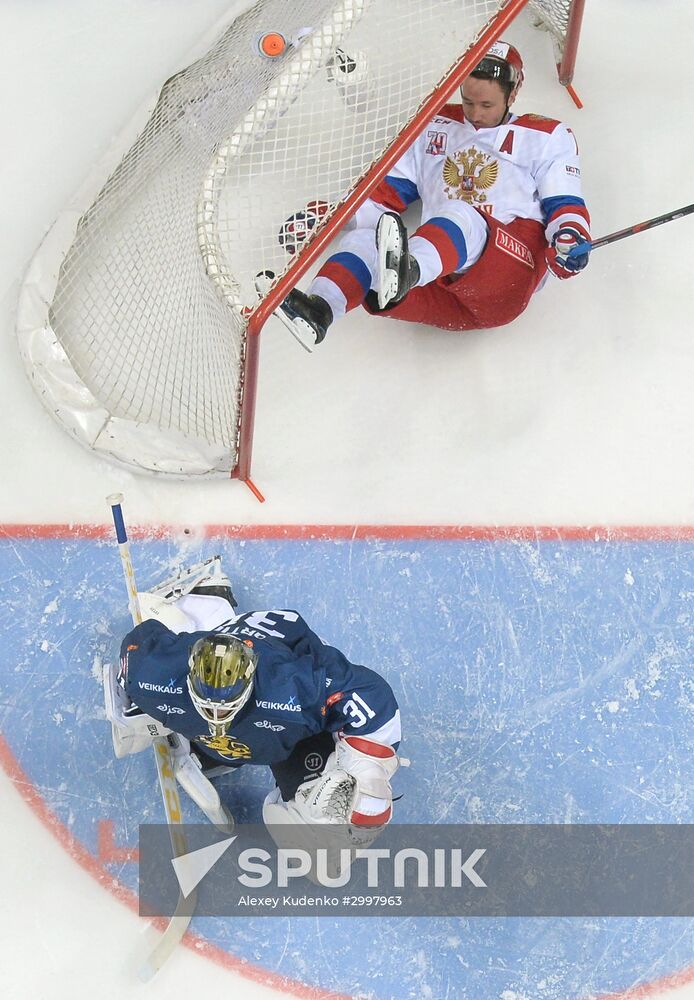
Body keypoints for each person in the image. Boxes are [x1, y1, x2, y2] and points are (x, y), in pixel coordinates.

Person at [275, 39, 592, 348]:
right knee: (363, 240)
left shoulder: (545, 135)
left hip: (506, 280)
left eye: (487, 105)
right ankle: (321, 310)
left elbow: (565, 204)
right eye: (468, 102)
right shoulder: (432, 124)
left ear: (513, 93)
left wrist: (569, 239)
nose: (475, 114)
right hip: (437, 286)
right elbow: (381, 201)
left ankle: (407, 270)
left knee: (460, 215)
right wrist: (331, 217)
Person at [104, 557, 403, 853]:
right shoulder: (151, 674)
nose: (217, 716)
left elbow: (373, 698)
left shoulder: (296, 688)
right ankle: (199, 605)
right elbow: (136, 646)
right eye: (209, 708)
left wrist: (368, 769)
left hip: (287, 659)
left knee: (317, 846)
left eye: (225, 709)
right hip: (229, 662)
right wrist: (134, 710)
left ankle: (207, 606)